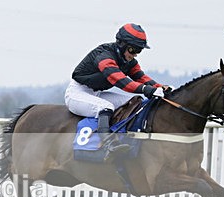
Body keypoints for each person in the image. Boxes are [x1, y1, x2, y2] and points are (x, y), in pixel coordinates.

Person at [65, 23, 171, 159]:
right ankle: (108, 143)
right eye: (133, 50)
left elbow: (141, 77)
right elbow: (121, 82)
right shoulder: (104, 56)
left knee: (134, 102)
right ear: (122, 45)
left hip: (97, 93)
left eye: (139, 51)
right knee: (106, 107)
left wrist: (160, 87)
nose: (135, 55)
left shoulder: (128, 60)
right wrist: (147, 90)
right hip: (77, 93)